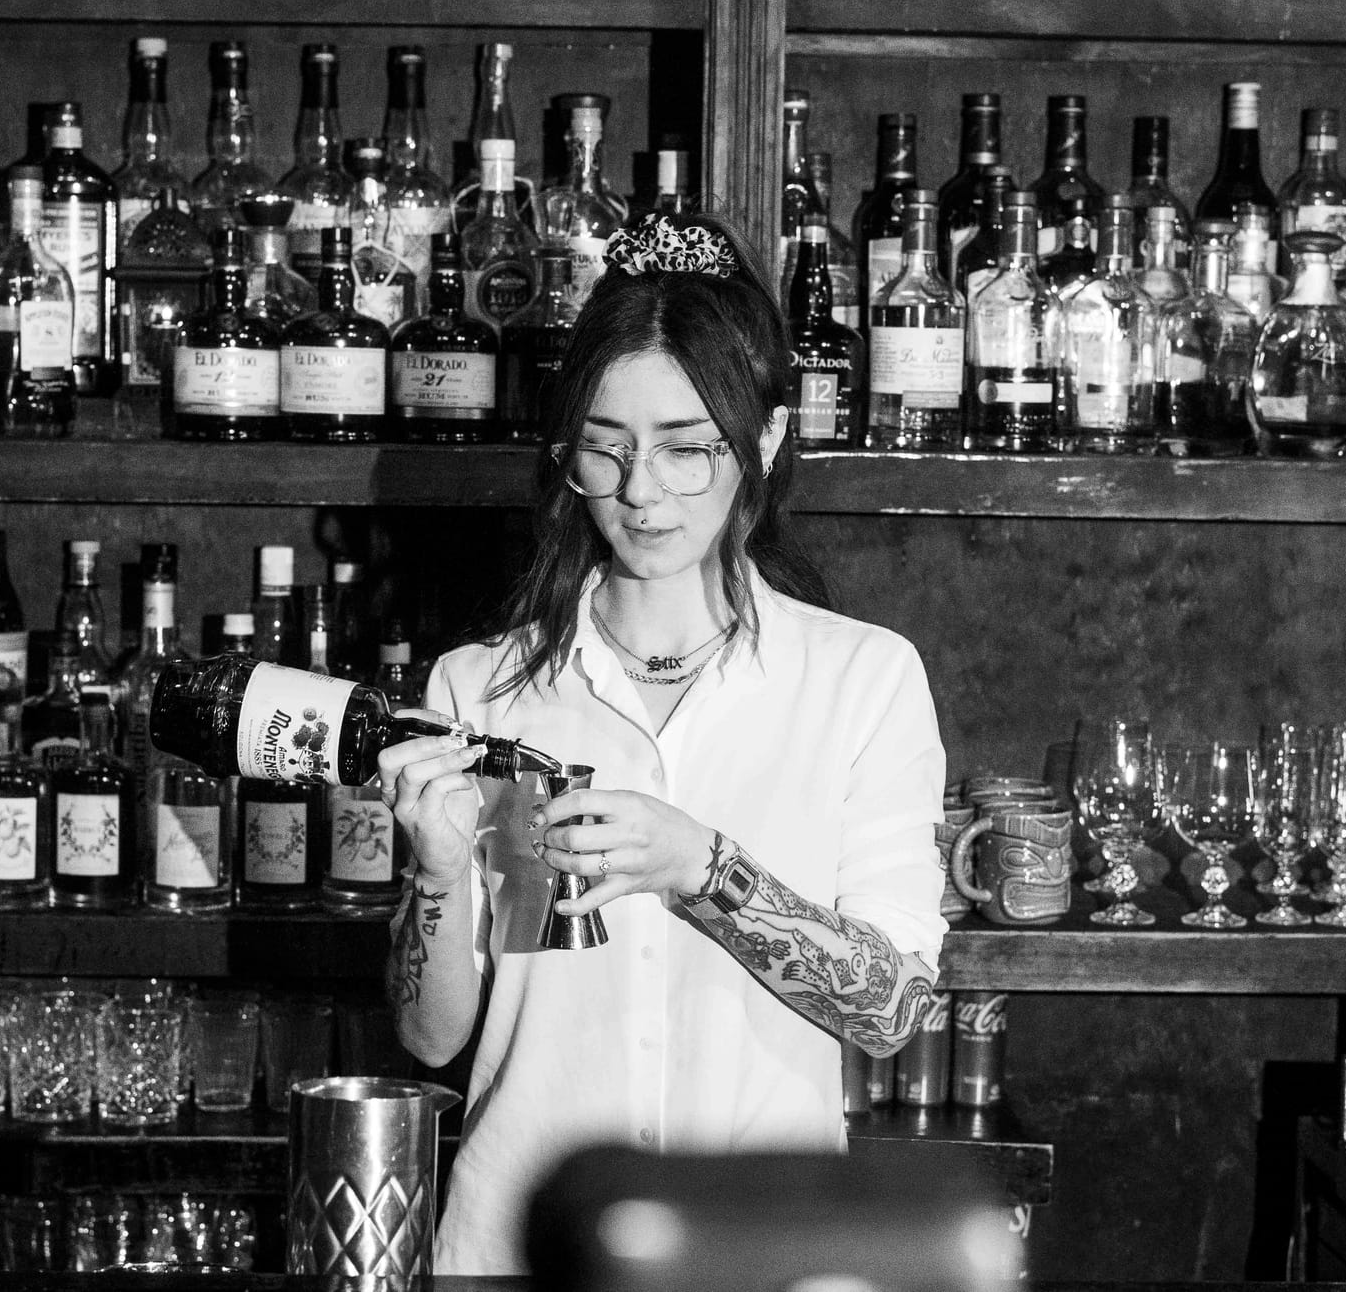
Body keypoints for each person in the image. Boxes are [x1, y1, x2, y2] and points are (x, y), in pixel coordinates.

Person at [378, 212, 948, 1276]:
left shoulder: (860, 679)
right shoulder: (478, 686)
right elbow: (427, 1038)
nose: (641, 491)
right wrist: (436, 868)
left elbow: (891, 1007)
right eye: (605, 447)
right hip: (515, 1246)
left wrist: (700, 865)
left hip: (758, 1249)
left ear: (765, 443)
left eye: (688, 450)